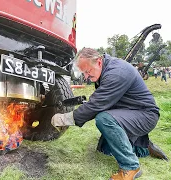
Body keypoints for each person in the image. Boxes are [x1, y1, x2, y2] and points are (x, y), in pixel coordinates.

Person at [51, 48, 168, 180]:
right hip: (130, 111)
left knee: (104, 119)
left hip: (145, 115)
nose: (86, 77)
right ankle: (144, 148)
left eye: (88, 71)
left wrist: (67, 118)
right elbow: (99, 102)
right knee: (105, 150)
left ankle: (130, 167)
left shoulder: (117, 72)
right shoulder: (106, 70)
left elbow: (97, 104)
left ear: (99, 62)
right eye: (83, 73)